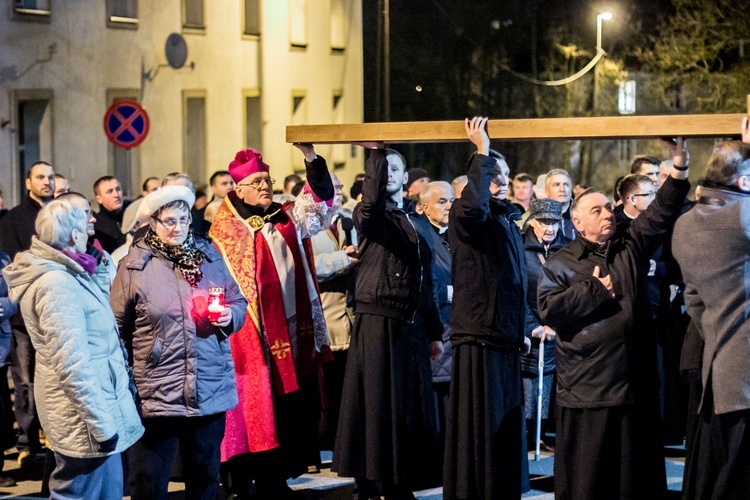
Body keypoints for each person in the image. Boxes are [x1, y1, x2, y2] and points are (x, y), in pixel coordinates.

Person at [536, 138, 690, 500]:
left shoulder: (630, 246)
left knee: (634, 480)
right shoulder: (561, 262)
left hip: (634, 384)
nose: (607, 214)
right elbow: (550, 310)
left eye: (608, 208)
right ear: (576, 222)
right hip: (589, 389)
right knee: (592, 481)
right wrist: (594, 291)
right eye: (597, 211)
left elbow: (662, 211)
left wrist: (679, 166)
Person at [210, 144, 334, 498]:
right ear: (239, 189)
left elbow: (320, 206)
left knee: (289, 410)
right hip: (253, 338)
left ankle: (276, 480)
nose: (266, 186)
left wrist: (311, 160)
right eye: (258, 181)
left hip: (292, 332)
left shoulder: (286, 216)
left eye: (268, 180)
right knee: (255, 411)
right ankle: (245, 481)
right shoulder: (226, 230)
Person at [110, 185, 247, 500]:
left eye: (184, 220)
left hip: (208, 385)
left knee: (205, 480)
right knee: (149, 483)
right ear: (153, 223)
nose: (178, 228)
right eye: (169, 221)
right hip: (157, 392)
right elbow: (116, 327)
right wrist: (127, 377)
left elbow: (238, 300)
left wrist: (230, 316)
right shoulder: (134, 266)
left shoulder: (209, 255)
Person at [3, 198, 144, 498]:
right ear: (71, 236)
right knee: (81, 492)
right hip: (84, 416)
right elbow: (72, 362)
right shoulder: (56, 283)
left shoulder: (72, 273)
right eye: (84, 225)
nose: (90, 228)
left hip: (97, 405)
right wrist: (102, 425)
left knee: (107, 491)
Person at [333, 143, 444, 499]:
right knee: (375, 407)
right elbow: (368, 209)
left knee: (403, 409)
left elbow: (425, 278)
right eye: (385, 170)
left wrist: (435, 331)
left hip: (409, 325)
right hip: (379, 320)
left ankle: (397, 480)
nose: (390, 174)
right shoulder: (373, 215)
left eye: (396, 168)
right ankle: (369, 482)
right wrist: (377, 158)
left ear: (407, 178)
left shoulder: (413, 219)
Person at [443, 117, 529, 499]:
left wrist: (520, 330)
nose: (503, 180)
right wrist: (481, 151)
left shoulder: (508, 220)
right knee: (483, 430)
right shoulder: (467, 215)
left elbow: (515, 284)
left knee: (506, 431)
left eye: (505, 173)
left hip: (505, 337)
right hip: (479, 335)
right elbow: (473, 209)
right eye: (495, 174)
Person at [672, 132, 750, 498]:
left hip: (720, 372)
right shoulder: (742, 216)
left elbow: (695, 300)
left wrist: (720, 331)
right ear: (744, 181)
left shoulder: (685, 225)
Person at [0, 160, 55, 466]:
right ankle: (27, 442)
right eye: (40, 177)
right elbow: (13, 266)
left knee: (54, 379)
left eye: (50, 177)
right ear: (28, 183)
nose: (46, 182)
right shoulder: (13, 219)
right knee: (26, 382)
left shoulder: (59, 213)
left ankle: (52, 440)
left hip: (55, 310)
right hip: (24, 316)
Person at [310, 172, 358, 451]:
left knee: (344, 389)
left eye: (340, 187)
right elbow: (305, 266)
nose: (337, 192)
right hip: (323, 322)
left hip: (349, 321)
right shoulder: (307, 226)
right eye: (331, 188)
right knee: (325, 389)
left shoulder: (349, 223)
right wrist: (343, 259)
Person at [520, 198, 570, 451]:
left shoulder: (568, 249)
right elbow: (517, 291)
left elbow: (573, 291)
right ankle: (530, 434)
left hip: (558, 328)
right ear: (532, 221)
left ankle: (546, 433)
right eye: (543, 222)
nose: (549, 228)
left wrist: (556, 324)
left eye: (554, 222)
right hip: (531, 328)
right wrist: (533, 325)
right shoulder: (520, 247)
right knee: (531, 381)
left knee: (554, 381)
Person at [412, 181, 454, 468]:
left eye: (451, 200)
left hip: (453, 328)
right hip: (434, 328)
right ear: (423, 207)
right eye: (442, 201)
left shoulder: (451, 235)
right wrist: (451, 292)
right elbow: (420, 283)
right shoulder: (419, 235)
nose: (449, 205)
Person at [0, 252, 17, 487]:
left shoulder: (3, 259)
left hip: (0, 352)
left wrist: (3, 306)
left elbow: (16, 293)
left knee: (1, 414)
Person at [93, 175, 130, 253]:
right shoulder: (96, 227)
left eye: (118, 189)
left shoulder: (133, 216)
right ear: (99, 199)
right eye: (109, 191)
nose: (116, 195)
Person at [544, 168, 575, 239]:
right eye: (556, 185)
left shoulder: (583, 216)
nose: (562, 189)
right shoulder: (537, 218)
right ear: (546, 191)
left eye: (566, 185)